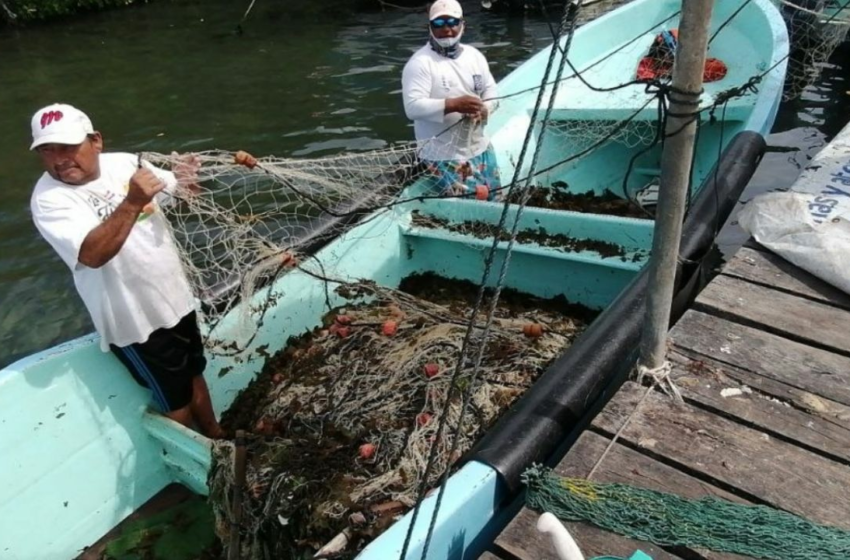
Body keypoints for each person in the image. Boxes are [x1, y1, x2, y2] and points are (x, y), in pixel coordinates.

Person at [28, 103, 225, 439]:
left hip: (176, 300)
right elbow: (92, 254)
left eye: (68, 147)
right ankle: (192, 467)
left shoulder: (126, 164)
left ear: (96, 141)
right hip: (134, 322)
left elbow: (181, 198)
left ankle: (217, 436)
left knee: (194, 372)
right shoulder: (49, 200)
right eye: (47, 150)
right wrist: (132, 201)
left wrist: (188, 181)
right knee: (174, 400)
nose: (59, 158)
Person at [401, 0, 502, 200]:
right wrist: (453, 105)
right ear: (430, 27)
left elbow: (491, 92)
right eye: (438, 24)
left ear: (462, 24)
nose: (446, 29)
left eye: (452, 22)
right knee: (467, 211)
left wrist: (485, 109)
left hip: (480, 146)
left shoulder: (475, 56)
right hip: (443, 155)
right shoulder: (420, 63)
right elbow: (412, 108)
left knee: (496, 199)